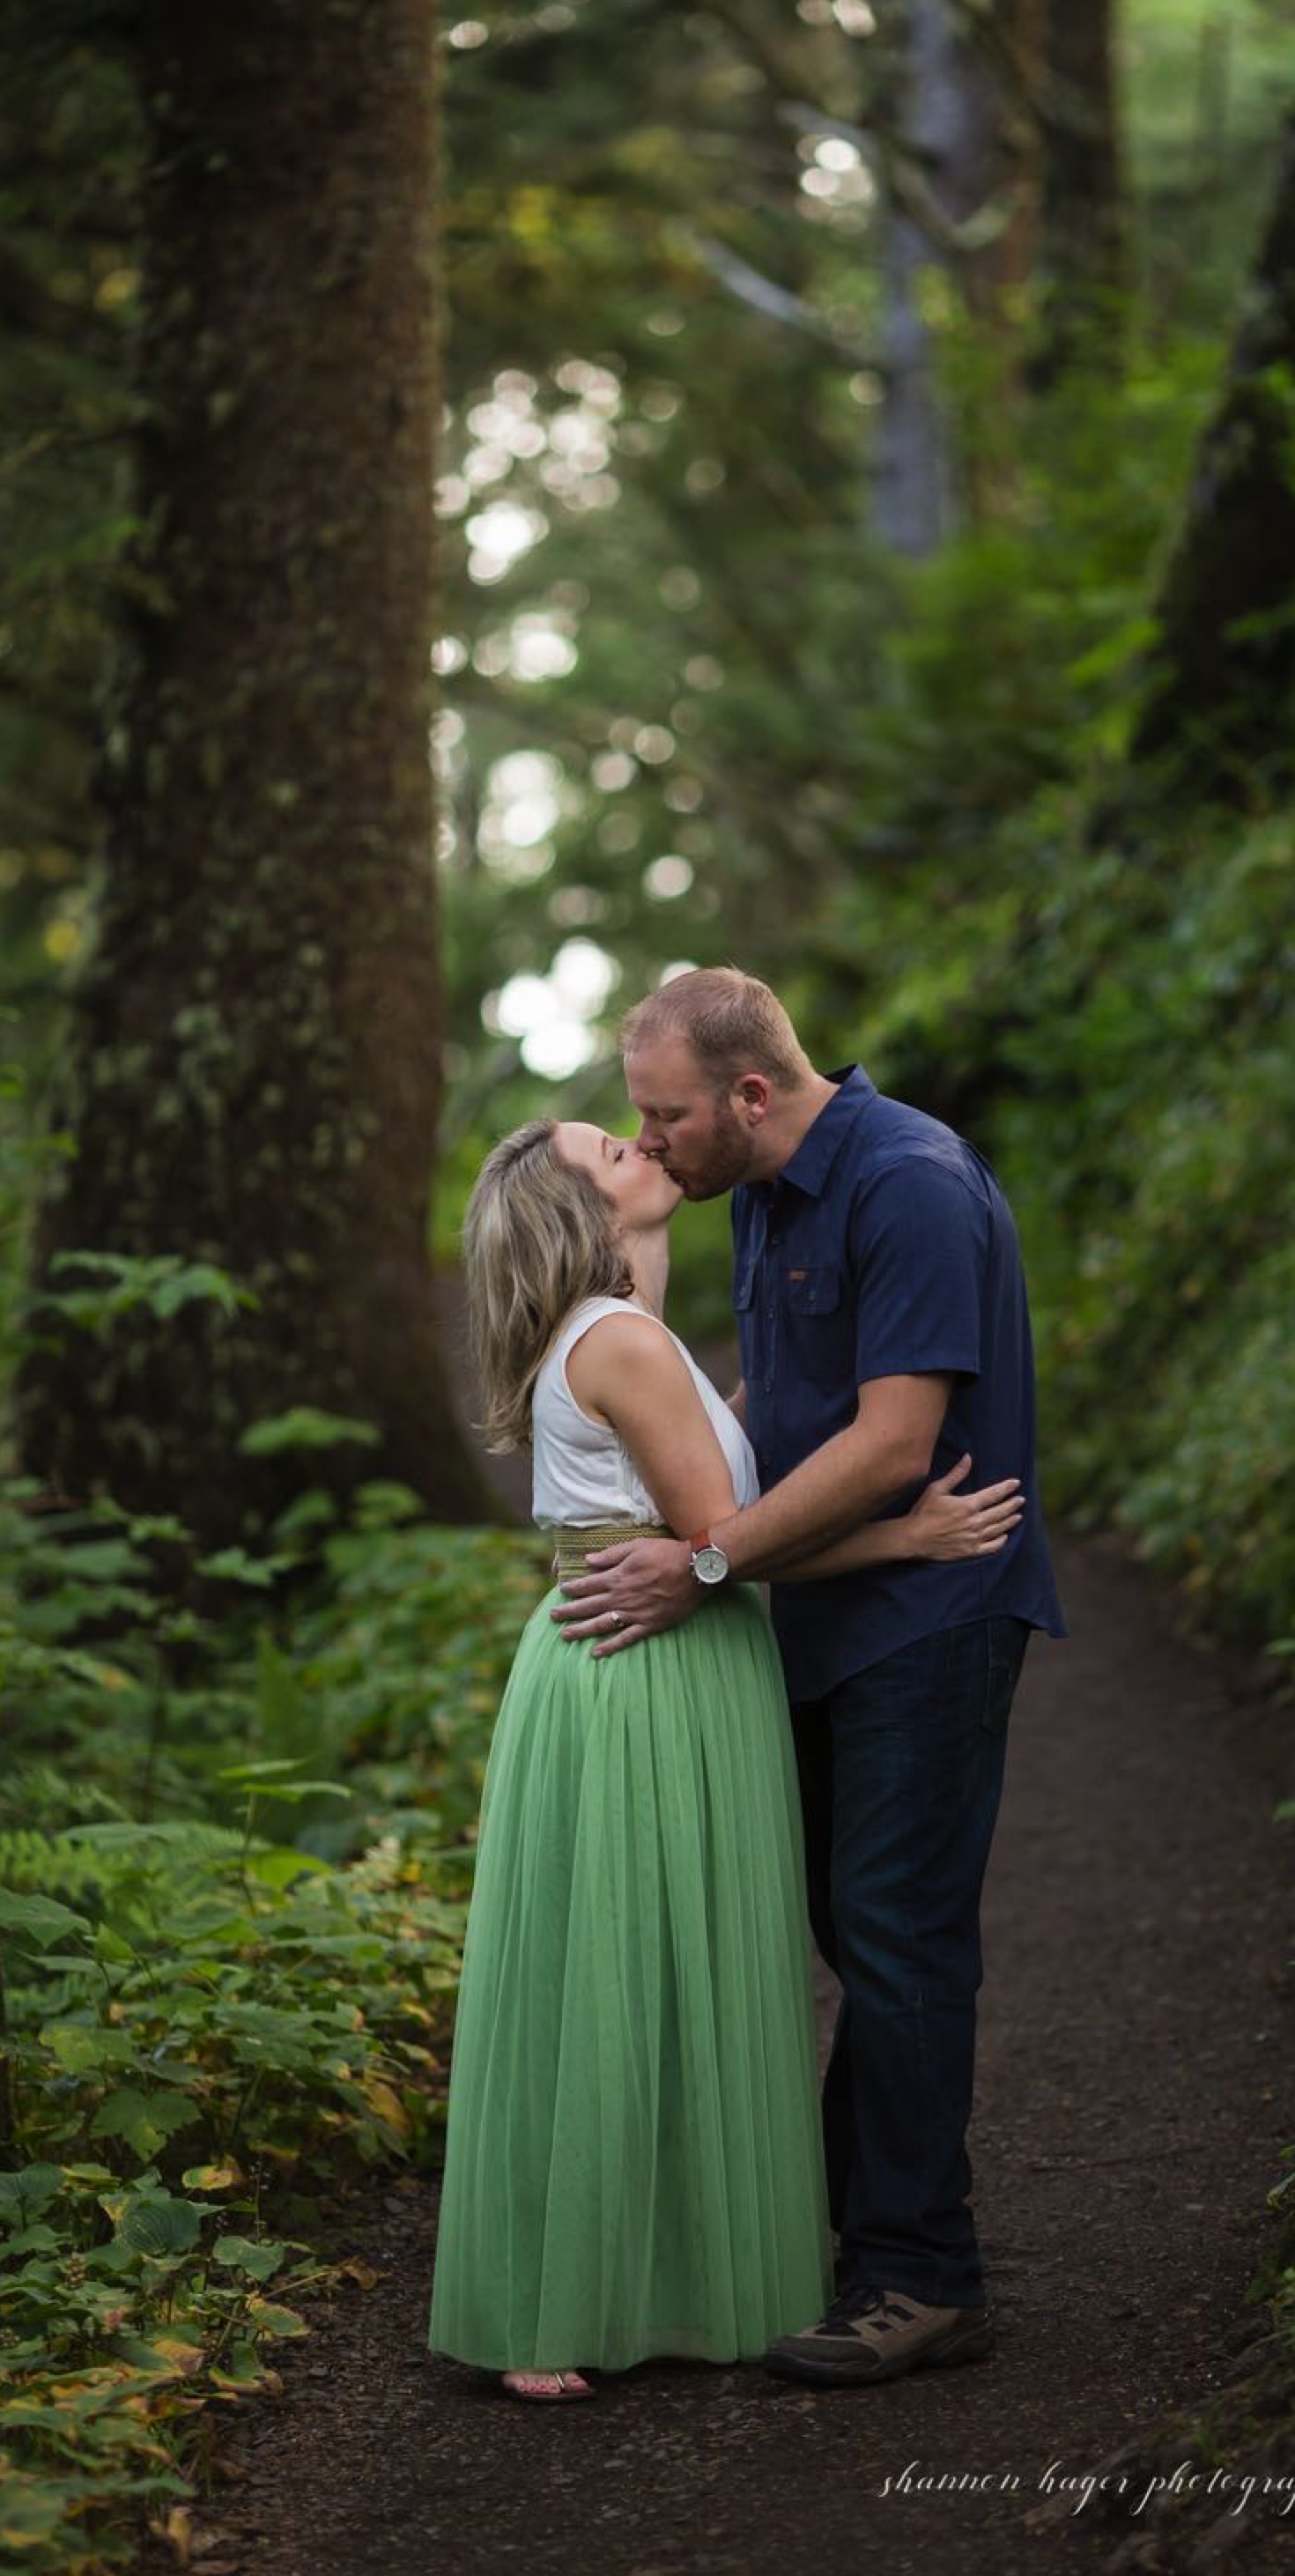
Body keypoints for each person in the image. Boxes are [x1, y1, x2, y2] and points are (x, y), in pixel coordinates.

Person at [427, 1114, 1024, 2402]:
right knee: (634, 1969)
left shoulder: (627, 1341)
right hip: (649, 1672)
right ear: (580, 1212)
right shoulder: (627, 1344)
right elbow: (722, 1542)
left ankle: (615, 2277)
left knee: (635, 1966)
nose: (643, 1146)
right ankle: (569, 2292)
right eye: (612, 1148)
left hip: (629, 1660)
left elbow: (714, 1522)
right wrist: (901, 1544)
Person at [552, 969, 1065, 2388]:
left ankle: (921, 2275)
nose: (649, 1145)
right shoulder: (763, 1188)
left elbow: (895, 1443)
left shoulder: (909, 1185)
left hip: (931, 1617)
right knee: (856, 1932)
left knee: (898, 1937)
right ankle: (857, 2223)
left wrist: (704, 1566)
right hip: (829, 1618)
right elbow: (764, 1415)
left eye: (664, 1119)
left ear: (751, 1095)